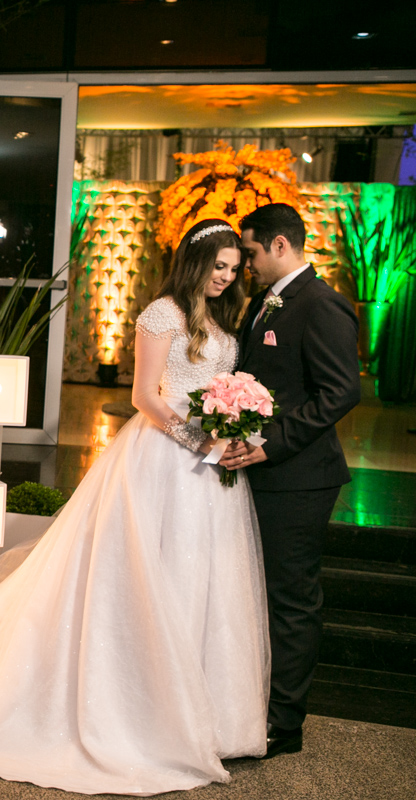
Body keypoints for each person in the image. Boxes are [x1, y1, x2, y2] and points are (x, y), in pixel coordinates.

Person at [0, 219, 269, 796]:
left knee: (202, 578)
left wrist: (230, 429)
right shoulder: (161, 314)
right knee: (147, 574)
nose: (226, 277)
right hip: (162, 458)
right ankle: (143, 713)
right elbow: (144, 396)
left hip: (209, 474)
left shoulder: (225, 321)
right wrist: (198, 439)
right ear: (195, 263)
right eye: (218, 267)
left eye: (233, 268)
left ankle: (208, 719)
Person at [219, 203, 360, 759]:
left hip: (299, 478)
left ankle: (284, 723)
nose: (246, 264)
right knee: (258, 595)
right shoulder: (264, 302)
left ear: (280, 245)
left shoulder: (322, 304)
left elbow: (340, 392)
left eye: (251, 252)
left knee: (291, 601)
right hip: (261, 473)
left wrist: (270, 443)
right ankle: (251, 706)